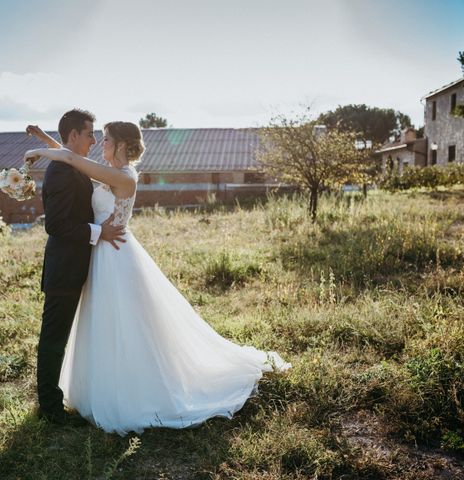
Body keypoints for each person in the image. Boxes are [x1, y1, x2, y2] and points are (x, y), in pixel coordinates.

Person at [25, 121, 291, 435]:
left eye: (107, 139)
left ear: (122, 145)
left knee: (126, 325)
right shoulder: (109, 170)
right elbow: (72, 156)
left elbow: (72, 159)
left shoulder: (123, 176)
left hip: (115, 256)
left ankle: (137, 389)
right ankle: (106, 383)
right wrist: (45, 139)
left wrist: (35, 150)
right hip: (101, 253)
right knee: (104, 323)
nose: (100, 143)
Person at [30, 109, 125, 426]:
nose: (94, 139)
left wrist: (43, 138)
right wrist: (100, 233)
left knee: (61, 337)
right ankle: (50, 409)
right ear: (73, 136)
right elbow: (56, 225)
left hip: (79, 266)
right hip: (64, 268)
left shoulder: (73, 165)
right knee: (54, 339)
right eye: (89, 133)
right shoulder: (59, 171)